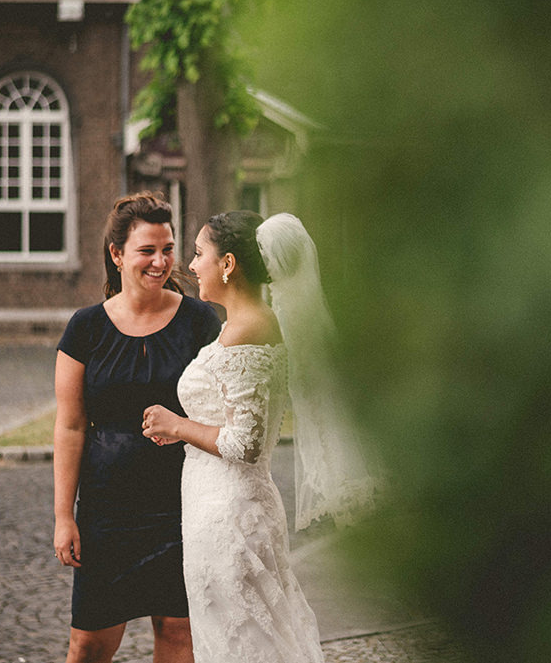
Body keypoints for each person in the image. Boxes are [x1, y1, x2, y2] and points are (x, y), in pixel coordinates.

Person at [141, 211, 379, 663]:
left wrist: (178, 426)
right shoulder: (238, 326)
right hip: (216, 506)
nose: (191, 266)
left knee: (247, 644)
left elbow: (244, 443)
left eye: (198, 253)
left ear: (228, 263)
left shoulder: (251, 329)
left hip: (232, 514)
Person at [53, 193, 221, 663]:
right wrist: (64, 515)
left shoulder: (200, 321)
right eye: (147, 250)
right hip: (107, 509)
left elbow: (223, 411)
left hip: (181, 503)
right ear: (117, 254)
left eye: (167, 248)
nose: (161, 261)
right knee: (88, 643)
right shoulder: (85, 328)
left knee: (177, 631)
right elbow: (69, 426)